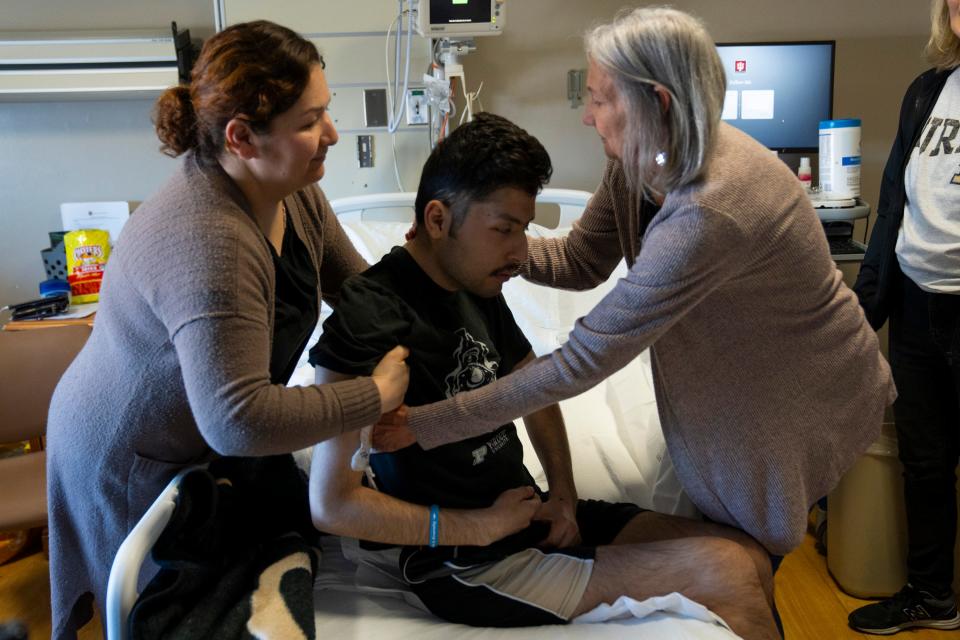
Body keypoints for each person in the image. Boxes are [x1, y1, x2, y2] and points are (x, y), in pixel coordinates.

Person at [381, 6, 896, 559]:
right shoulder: (641, 159)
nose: (587, 115)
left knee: (754, 552)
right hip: (737, 365)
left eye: (600, 99)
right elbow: (580, 260)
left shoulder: (711, 210)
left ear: (657, 104)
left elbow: (582, 361)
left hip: (795, 386)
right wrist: (492, 242)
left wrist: (424, 424)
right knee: (735, 546)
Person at [308, 112, 780, 639]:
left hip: (528, 519)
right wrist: (476, 526)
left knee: (747, 552)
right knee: (728, 572)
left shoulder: (475, 284)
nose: (519, 252)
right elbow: (332, 504)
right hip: (465, 565)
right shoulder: (369, 317)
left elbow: (535, 392)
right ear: (438, 219)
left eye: (525, 230)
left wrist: (563, 495)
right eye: (504, 230)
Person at [45, 21, 409, 639]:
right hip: (133, 458)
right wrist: (374, 396)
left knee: (283, 526)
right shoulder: (209, 239)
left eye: (328, 111)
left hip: (204, 441)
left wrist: (438, 309)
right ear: (241, 137)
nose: (332, 135)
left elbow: (359, 291)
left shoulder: (293, 191)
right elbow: (238, 420)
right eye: (308, 122)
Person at [848, 0, 960, 634]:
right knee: (924, 462)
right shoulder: (928, 92)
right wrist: (866, 310)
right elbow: (892, 206)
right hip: (918, 304)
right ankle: (932, 598)